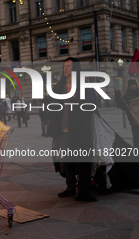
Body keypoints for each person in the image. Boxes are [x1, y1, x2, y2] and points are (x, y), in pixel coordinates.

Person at [48, 57, 96, 202]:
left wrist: (76, 98)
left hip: (80, 129)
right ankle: (70, 187)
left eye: (68, 66)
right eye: (64, 66)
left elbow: (91, 103)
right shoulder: (60, 85)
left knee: (83, 161)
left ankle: (84, 191)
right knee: (66, 160)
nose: (65, 69)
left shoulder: (85, 84)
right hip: (63, 130)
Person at [119, 79, 139, 148]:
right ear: (129, 86)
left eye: (134, 85)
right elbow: (123, 107)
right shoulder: (126, 96)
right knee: (136, 135)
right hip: (133, 119)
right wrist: (122, 103)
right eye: (132, 85)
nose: (133, 86)